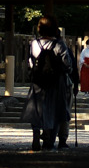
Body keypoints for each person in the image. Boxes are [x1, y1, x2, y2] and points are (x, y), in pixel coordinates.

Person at [25, 21, 72, 150]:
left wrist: (32, 75)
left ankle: (36, 134)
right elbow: (68, 65)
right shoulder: (59, 44)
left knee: (36, 108)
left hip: (38, 81)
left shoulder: (34, 43)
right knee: (56, 111)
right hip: (56, 82)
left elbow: (30, 62)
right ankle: (49, 142)